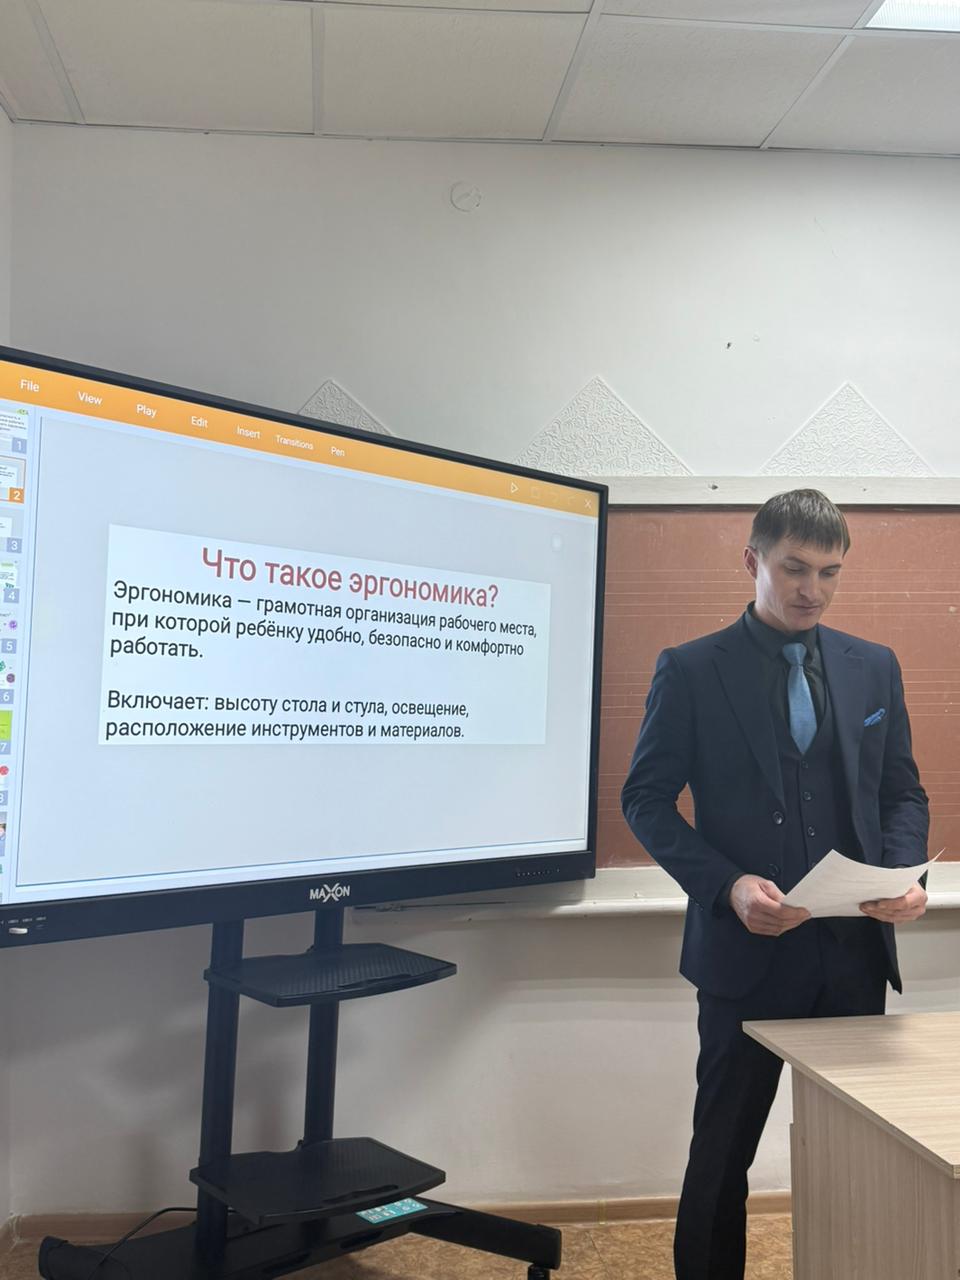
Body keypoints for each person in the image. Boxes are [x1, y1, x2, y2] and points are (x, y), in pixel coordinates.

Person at [620, 489, 929, 1280]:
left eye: (829, 572)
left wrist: (904, 875)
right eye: (794, 568)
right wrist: (726, 887)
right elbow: (645, 801)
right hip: (744, 962)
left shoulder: (873, 666)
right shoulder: (692, 670)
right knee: (722, 1158)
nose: (812, 590)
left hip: (854, 955)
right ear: (752, 561)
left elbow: (902, 794)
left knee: (865, 1159)